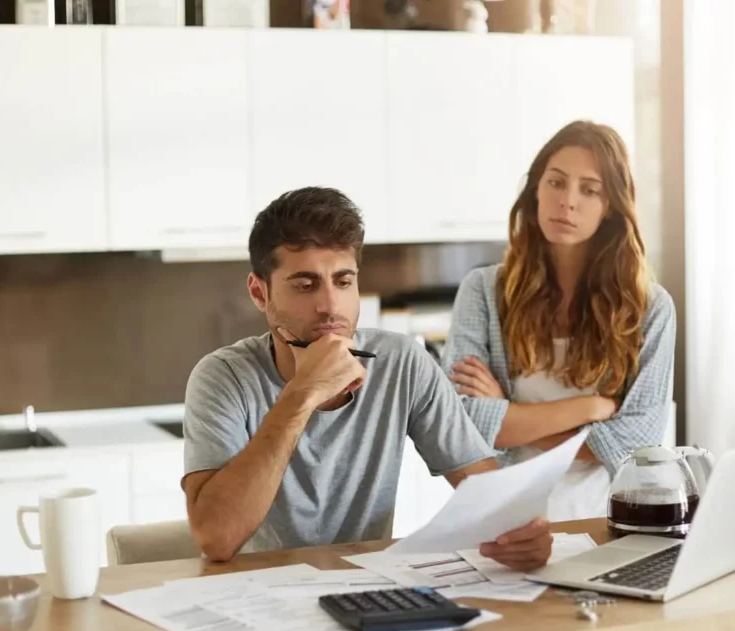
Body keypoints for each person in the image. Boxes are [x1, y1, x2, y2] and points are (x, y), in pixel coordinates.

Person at [180, 186, 553, 569]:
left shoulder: (402, 362)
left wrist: (522, 533)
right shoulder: (222, 377)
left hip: (366, 589)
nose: (330, 306)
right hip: (254, 596)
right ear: (260, 293)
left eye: (343, 282)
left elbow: (487, 493)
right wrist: (302, 394)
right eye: (305, 285)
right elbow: (217, 538)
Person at [443, 120, 677, 522]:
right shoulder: (482, 291)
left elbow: (635, 447)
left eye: (589, 190)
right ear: (536, 189)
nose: (567, 201)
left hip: (606, 520)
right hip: (504, 518)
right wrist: (591, 407)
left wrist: (506, 412)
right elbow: (461, 424)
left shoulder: (649, 309)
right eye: (556, 182)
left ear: (611, 208)